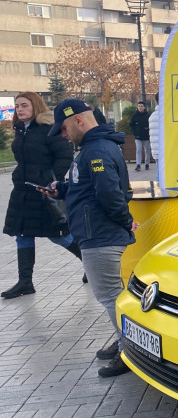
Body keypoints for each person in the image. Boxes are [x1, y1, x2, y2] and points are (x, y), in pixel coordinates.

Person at [47, 98, 137, 377]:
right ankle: (125, 342)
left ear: (78, 120)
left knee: (111, 297)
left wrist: (126, 221)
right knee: (113, 295)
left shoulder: (96, 149)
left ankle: (129, 351)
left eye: (64, 128)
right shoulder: (94, 147)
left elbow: (109, 194)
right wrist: (62, 189)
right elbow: (87, 186)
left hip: (100, 234)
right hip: (97, 232)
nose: (63, 135)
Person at [2, 92, 85, 299]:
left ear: (35, 106)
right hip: (22, 191)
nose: (20, 109)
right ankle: (25, 282)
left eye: (24, 105)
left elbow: (65, 156)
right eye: (17, 106)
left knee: (58, 234)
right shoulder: (21, 130)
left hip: (43, 192)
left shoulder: (48, 129)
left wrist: (50, 181)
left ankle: (91, 265)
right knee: (22, 233)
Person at [130, 101, 151, 172]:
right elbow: (131, 125)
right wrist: (134, 133)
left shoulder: (148, 115)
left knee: (147, 151)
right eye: (139, 106)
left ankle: (147, 163)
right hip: (138, 137)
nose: (140, 107)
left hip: (146, 136)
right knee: (138, 150)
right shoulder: (135, 116)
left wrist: (148, 132)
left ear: (144, 107)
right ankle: (138, 164)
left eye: (141, 106)